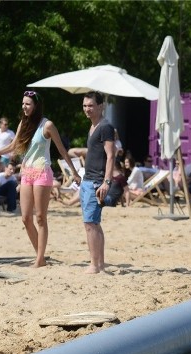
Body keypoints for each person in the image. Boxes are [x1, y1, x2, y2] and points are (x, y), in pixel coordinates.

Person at [0, 90, 80, 267]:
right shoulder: (23, 123)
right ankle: (40, 256)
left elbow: (61, 150)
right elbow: (13, 146)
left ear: (36, 105)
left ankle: (39, 259)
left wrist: (74, 172)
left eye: (27, 104)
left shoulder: (47, 125)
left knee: (41, 217)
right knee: (25, 218)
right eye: (23, 104)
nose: (24, 107)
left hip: (42, 173)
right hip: (27, 173)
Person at [79, 91, 115, 274]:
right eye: (85, 105)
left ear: (101, 106)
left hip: (96, 182)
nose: (87, 109)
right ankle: (99, 264)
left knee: (90, 224)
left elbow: (110, 155)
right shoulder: (93, 126)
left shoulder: (105, 126)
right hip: (88, 180)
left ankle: (95, 265)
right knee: (94, 223)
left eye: (91, 105)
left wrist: (106, 181)